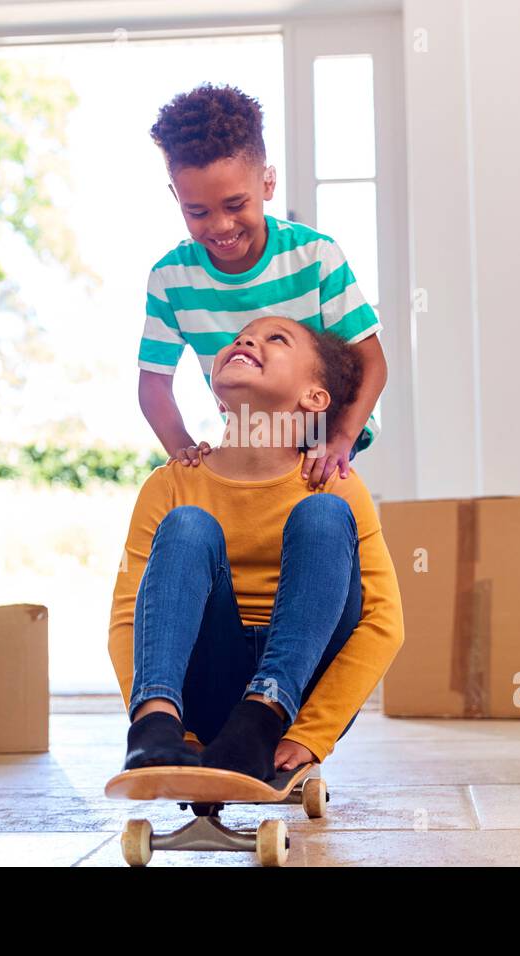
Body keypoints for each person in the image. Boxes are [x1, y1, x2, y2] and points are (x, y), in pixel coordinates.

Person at [108, 315, 404, 782]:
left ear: (314, 397)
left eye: (276, 338)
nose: (246, 339)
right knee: (187, 525)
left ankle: (262, 713)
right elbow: (130, 616)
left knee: (322, 517)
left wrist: (312, 732)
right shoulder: (172, 484)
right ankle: (155, 721)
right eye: (242, 336)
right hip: (205, 690)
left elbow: (383, 623)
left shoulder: (335, 486)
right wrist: (175, 732)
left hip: (293, 700)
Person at [138, 82, 388, 490]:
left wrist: (340, 440)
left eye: (236, 205)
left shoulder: (315, 256)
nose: (220, 226)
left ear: (267, 183)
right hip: (249, 438)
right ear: (176, 197)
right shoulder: (170, 279)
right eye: (197, 211)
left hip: (325, 435)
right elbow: (153, 383)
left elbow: (373, 363)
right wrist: (181, 450)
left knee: (312, 523)